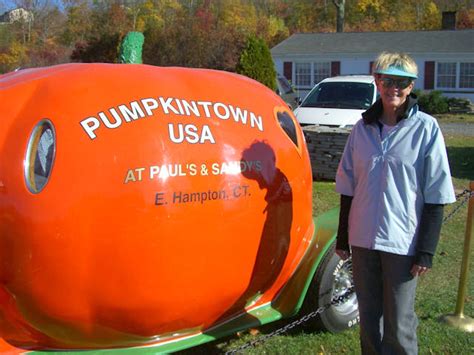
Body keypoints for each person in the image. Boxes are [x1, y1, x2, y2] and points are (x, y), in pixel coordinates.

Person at [335, 52, 456, 355]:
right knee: (369, 322)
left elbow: (436, 193)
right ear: (377, 81)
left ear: (412, 85)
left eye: (401, 82)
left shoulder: (426, 129)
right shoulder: (361, 129)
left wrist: (425, 251)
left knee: (400, 324)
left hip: (402, 243)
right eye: (387, 80)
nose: (393, 88)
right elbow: (348, 187)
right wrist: (343, 238)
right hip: (363, 241)